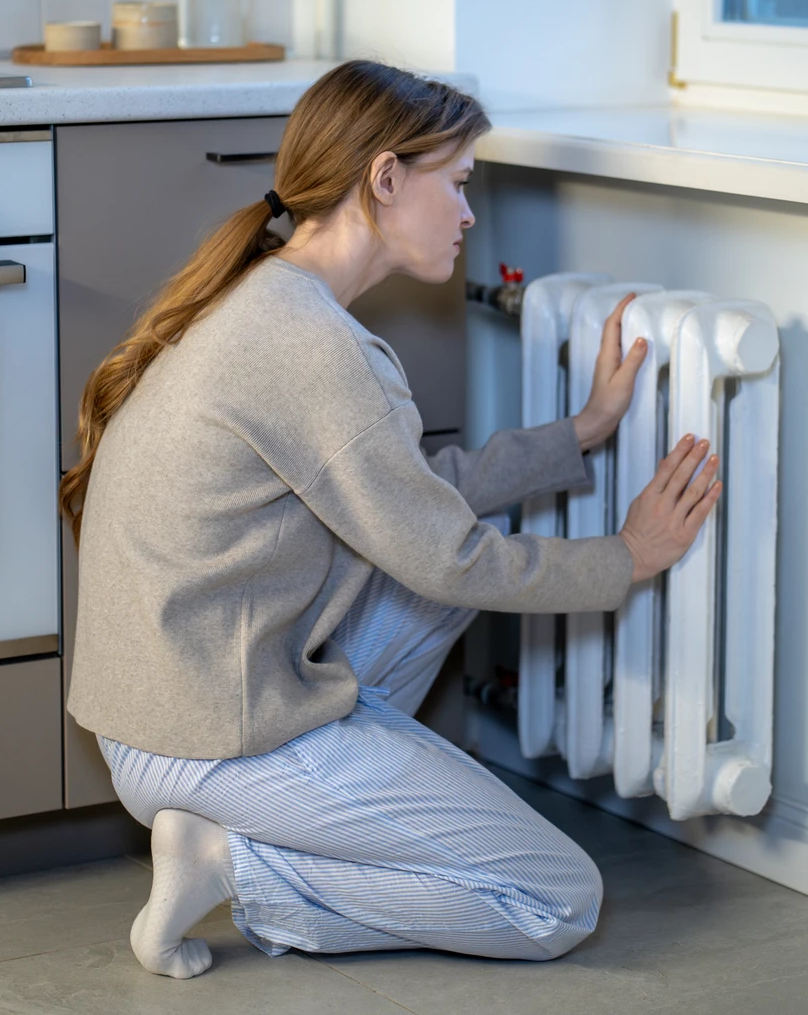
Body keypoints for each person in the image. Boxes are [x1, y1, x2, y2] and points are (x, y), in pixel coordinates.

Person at [59, 60, 721, 979]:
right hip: (209, 739)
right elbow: (451, 555)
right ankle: (236, 860)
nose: (467, 213)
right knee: (554, 901)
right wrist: (627, 556)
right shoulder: (319, 349)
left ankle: (321, 808)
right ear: (384, 178)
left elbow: (409, 495)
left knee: (424, 572)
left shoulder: (268, 296)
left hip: (171, 706)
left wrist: (580, 433)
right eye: (456, 184)